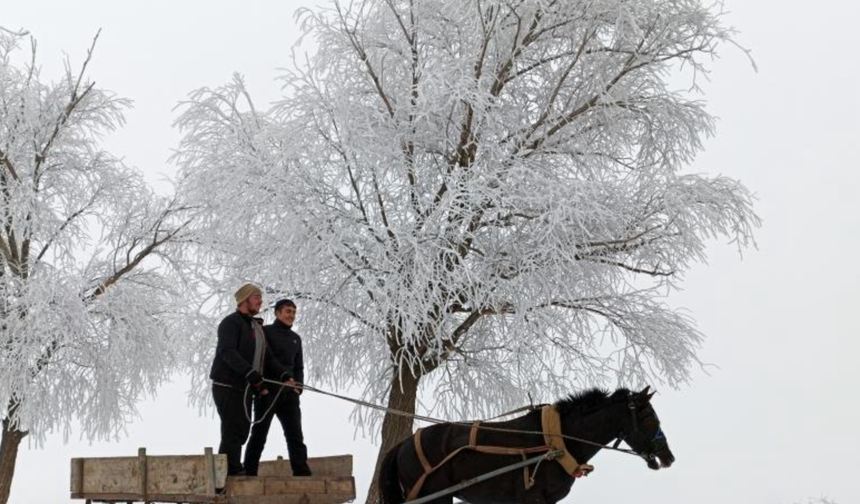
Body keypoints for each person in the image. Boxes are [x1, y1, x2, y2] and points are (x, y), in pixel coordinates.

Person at [209, 283, 294, 475]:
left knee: (242, 429)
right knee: (233, 428)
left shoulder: (255, 327)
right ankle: (230, 472)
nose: (260, 301)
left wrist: (285, 375)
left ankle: (230, 469)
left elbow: (268, 357)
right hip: (227, 385)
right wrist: (249, 372)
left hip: (245, 387)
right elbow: (227, 351)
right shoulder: (230, 323)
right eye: (256, 297)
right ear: (244, 299)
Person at [243, 298, 312, 476]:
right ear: (277, 313)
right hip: (268, 391)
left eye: (294, 312)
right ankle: (249, 472)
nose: (292, 315)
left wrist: (299, 387)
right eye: (288, 311)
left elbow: (299, 367)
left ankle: (302, 473)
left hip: (290, 394)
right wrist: (283, 377)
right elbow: (267, 358)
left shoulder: (296, 339)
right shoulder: (265, 332)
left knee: (295, 435)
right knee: (259, 434)